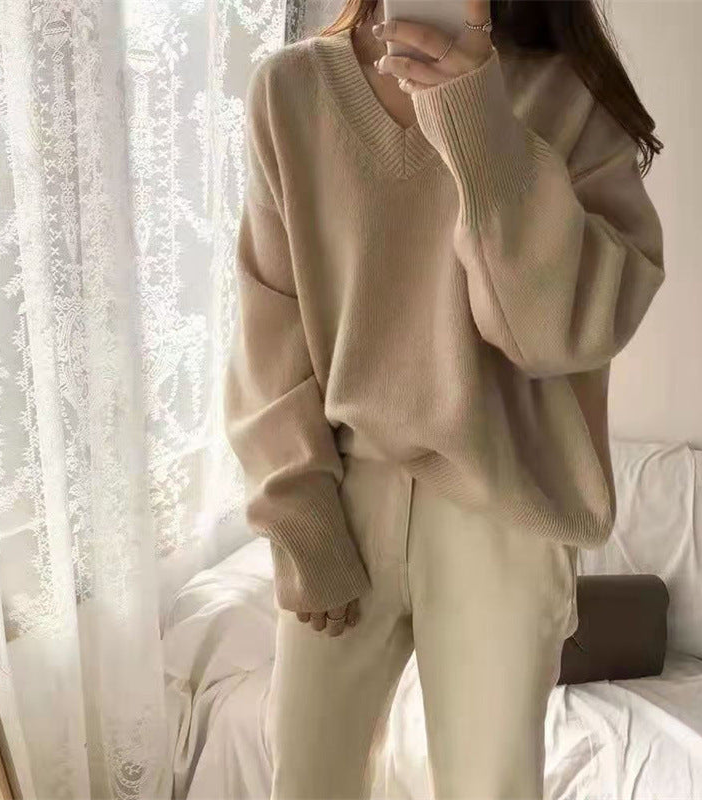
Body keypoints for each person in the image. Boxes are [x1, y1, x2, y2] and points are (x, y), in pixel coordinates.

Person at [223, 0, 665, 796]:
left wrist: (477, 121)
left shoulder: (568, 96)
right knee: (305, 782)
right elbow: (269, 324)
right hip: (339, 490)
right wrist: (296, 512)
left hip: (507, 504)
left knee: (490, 787)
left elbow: (557, 334)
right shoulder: (291, 90)